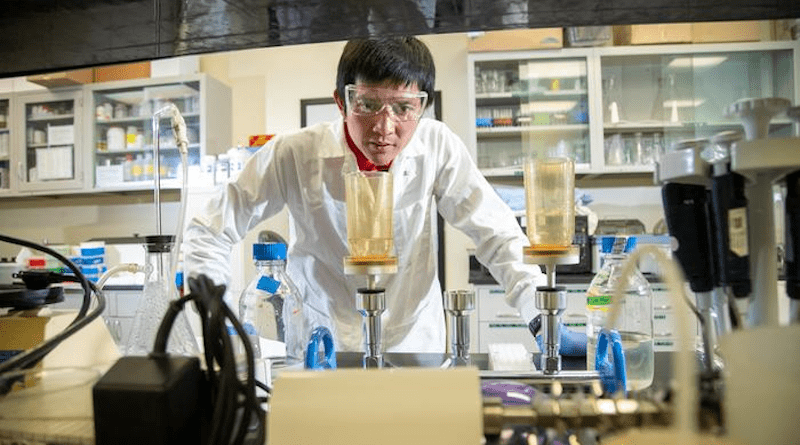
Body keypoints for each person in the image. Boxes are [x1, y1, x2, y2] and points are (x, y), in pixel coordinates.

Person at [184, 36, 544, 353]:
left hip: (413, 343)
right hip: (321, 341)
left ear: (423, 106)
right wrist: (221, 319)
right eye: (368, 105)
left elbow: (497, 235)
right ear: (341, 101)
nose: (385, 128)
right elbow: (209, 230)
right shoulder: (295, 153)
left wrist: (540, 314)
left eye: (403, 108)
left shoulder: (437, 146)